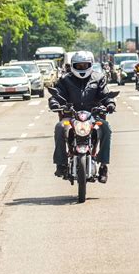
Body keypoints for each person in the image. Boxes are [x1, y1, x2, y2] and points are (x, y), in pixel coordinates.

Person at [48, 51, 116, 184]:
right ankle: (61, 163)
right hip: (71, 116)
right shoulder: (65, 80)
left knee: (106, 128)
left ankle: (103, 166)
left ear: (91, 65)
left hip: (94, 116)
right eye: (78, 66)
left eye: (85, 65)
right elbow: (56, 95)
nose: (82, 68)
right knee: (60, 127)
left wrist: (110, 104)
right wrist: (54, 103)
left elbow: (105, 94)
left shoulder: (99, 78)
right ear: (73, 66)